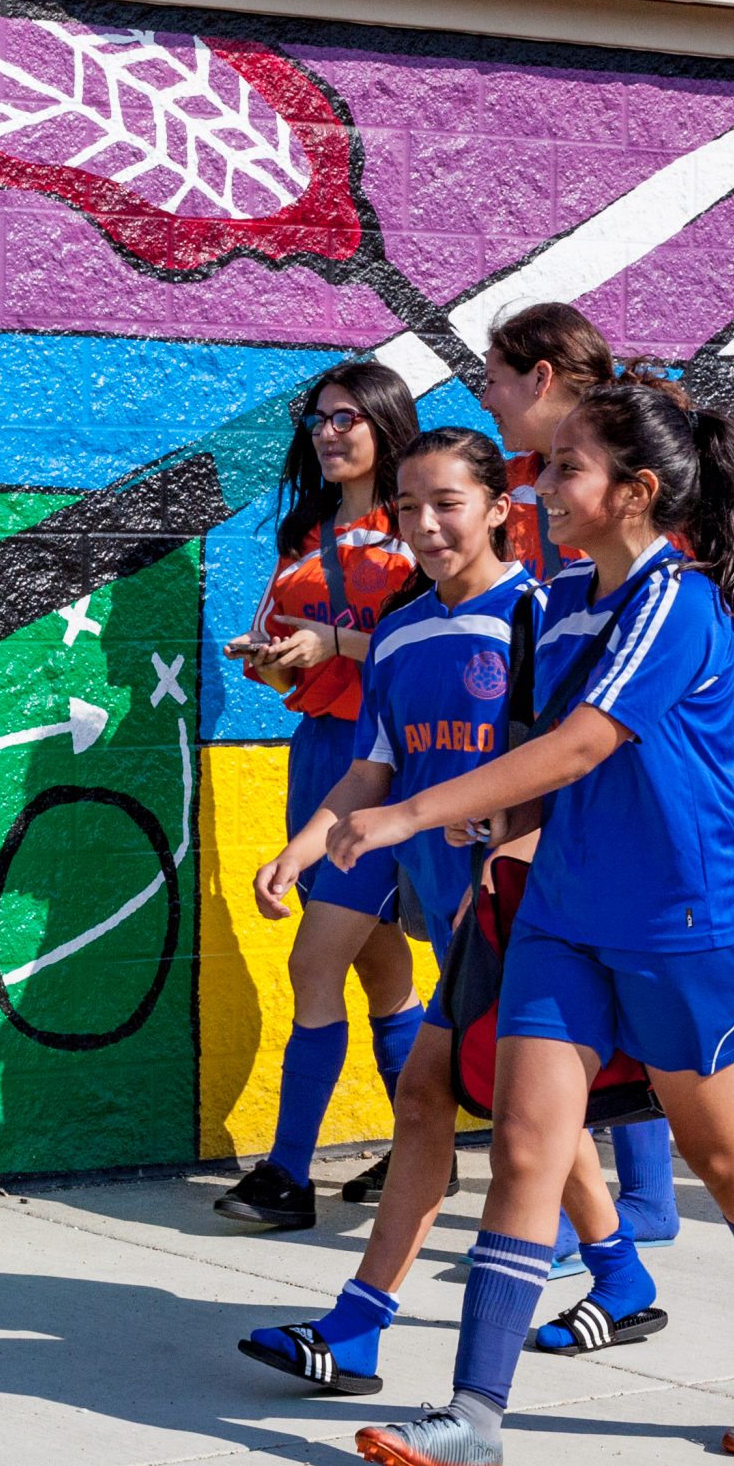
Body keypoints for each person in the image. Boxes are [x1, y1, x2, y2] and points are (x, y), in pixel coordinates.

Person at [327, 377, 734, 1466]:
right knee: (523, 1147)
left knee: (718, 1153)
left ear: (637, 492)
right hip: (561, 916)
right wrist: (482, 854)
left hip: (678, 921)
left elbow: (577, 745)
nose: (542, 484)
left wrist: (408, 812)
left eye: (566, 467)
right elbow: (530, 757)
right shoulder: (557, 599)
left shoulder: (675, 601)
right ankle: (472, 1417)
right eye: (544, 464)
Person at [238, 427, 663, 1396]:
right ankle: (619, 1272)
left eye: (448, 503)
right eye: (410, 507)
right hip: (452, 902)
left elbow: (568, 768)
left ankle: (357, 1326)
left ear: (497, 510)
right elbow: (370, 766)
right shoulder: (397, 631)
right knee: (516, 1107)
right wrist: (302, 847)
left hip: (530, 910)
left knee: (435, 1096)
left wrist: (506, 859)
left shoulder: (541, 616)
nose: (426, 525)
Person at [482, 301, 681, 1251]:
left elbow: (614, 696)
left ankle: (632, 1212)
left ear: (544, 380)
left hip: (623, 779)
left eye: (495, 375)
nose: (485, 393)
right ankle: (614, 1215)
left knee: (615, 1001)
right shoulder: (548, 488)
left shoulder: (614, 497)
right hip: (570, 759)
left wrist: (520, 805)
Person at [213, 360, 426, 1231]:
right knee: (380, 967)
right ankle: (426, 1153)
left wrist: (333, 641)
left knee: (315, 961)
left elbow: (435, 649)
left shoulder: (417, 528)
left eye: (348, 418)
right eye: (318, 420)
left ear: (385, 424)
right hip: (320, 753)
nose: (330, 433)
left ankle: (288, 1175)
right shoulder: (305, 530)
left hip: (391, 762)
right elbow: (296, 656)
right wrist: (272, 662)